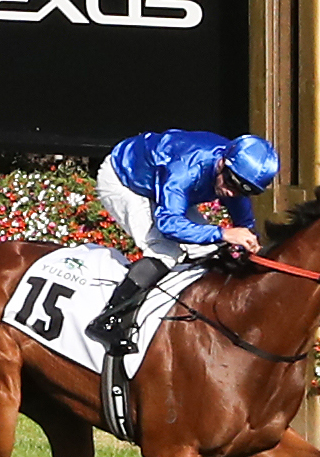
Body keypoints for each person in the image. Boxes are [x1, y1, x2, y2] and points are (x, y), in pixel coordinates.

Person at [90, 128, 284, 351]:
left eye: (243, 190)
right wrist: (223, 233)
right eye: (231, 183)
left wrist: (250, 243)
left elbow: (244, 224)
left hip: (164, 187)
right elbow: (168, 224)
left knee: (209, 250)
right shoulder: (186, 169)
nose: (232, 193)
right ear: (222, 163)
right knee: (166, 251)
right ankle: (108, 320)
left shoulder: (233, 174)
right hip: (125, 181)